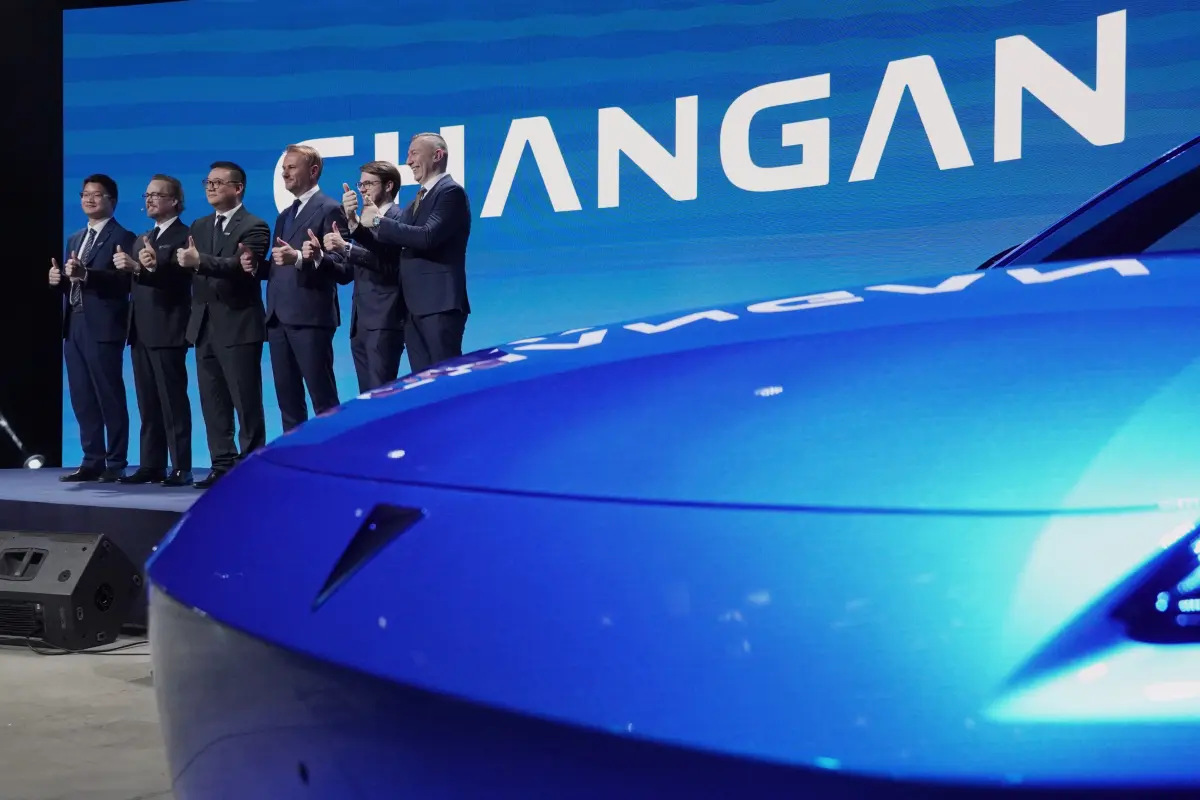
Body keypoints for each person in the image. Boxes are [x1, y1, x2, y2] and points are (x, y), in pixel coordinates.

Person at [181, 161, 270, 489]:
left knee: (245, 401)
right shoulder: (200, 225)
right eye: (208, 182)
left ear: (238, 188)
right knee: (213, 401)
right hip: (204, 325)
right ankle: (221, 464)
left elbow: (241, 267)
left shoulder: (255, 226)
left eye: (218, 182)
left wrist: (200, 261)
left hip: (238, 324)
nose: (211, 187)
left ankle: (251, 468)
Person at [247, 144, 348, 432]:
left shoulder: (330, 209)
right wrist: (256, 266)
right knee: (288, 403)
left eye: (292, 167)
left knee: (323, 400)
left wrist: (305, 258)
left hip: (310, 318)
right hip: (278, 320)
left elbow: (343, 267)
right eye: (283, 168)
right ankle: (297, 456)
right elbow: (282, 265)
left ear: (313, 171)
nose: (284, 173)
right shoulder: (284, 215)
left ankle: (333, 455)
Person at [356, 133, 471, 374]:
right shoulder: (415, 202)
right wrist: (356, 228)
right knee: (424, 384)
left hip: (439, 305)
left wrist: (377, 221)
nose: (408, 161)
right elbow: (389, 247)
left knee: (445, 380)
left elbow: (427, 237)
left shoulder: (451, 193)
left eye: (414, 153)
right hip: (412, 309)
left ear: (437, 155)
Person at [50, 173, 135, 482]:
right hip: (74, 322)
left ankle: (116, 461)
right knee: (82, 395)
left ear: (112, 200)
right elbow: (74, 280)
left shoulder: (123, 237)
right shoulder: (75, 238)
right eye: (85, 194)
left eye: (96, 194)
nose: (89, 199)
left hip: (103, 325)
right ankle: (91, 460)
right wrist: (59, 281)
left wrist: (87, 275)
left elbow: (125, 282)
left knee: (108, 394)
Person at [115, 174, 194, 486]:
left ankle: (182, 467)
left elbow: (181, 281)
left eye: (156, 195)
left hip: (168, 328)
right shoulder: (142, 238)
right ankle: (152, 464)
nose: (149, 200)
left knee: (173, 402)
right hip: (140, 330)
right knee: (147, 403)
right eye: (146, 195)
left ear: (174, 200)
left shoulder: (185, 236)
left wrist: (143, 268)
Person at [313, 160, 406, 392]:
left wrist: (347, 247)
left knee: (382, 395)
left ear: (389, 186)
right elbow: (347, 274)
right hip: (360, 323)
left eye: (369, 184)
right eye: (361, 184)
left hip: (385, 320)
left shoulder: (398, 219)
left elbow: (390, 266)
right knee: (366, 397)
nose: (362, 189)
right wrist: (320, 257)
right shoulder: (362, 221)